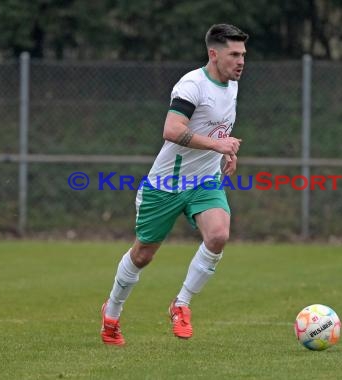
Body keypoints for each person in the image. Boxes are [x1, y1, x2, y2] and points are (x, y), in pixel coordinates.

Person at [100, 24, 249, 345]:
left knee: (219, 234)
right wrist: (216, 146)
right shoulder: (192, 85)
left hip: (204, 181)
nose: (241, 61)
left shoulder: (232, 86)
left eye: (243, 55)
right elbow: (171, 129)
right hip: (166, 184)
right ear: (214, 54)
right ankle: (111, 313)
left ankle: (181, 304)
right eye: (234, 54)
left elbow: (217, 129)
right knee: (143, 255)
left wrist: (226, 151)